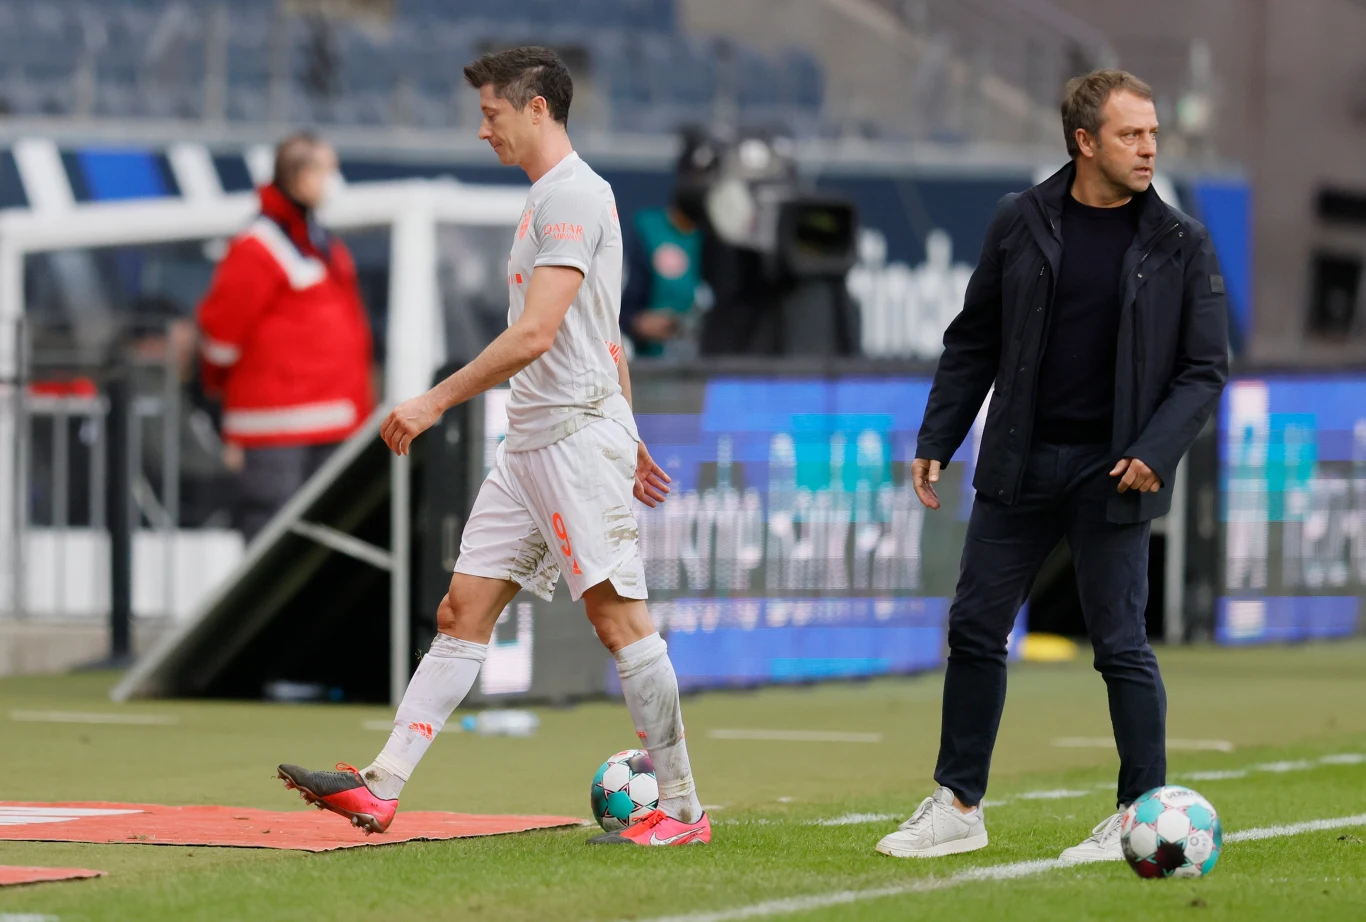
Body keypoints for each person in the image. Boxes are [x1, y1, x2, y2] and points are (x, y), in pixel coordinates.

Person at [277, 47, 711, 848]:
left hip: (575, 435)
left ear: (536, 108)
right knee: (461, 609)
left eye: (491, 113)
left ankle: (684, 811)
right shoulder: (550, 199)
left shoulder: (574, 196)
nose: (484, 130)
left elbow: (540, 331)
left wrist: (436, 398)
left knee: (620, 622)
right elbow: (605, 335)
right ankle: (380, 787)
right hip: (536, 439)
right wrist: (635, 425)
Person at [876, 70, 1228, 861]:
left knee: (1120, 644)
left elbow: (1204, 369)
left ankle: (1140, 810)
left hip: (1115, 470)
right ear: (1084, 142)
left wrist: (1155, 451)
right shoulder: (1019, 220)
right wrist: (939, 435)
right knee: (974, 628)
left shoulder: (1182, 242)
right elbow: (974, 339)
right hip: (1019, 461)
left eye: (1153, 134)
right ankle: (958, 806)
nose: (1148, 148)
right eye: (1131, 135)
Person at [196, 133, 374, 541]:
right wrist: (219, 393)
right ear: (300, 176)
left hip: (330, 421)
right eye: (327, 171)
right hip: (274, 431)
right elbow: (221, 335)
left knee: (325, 542)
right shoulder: (258, 246)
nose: (334, 180)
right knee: (274, 541)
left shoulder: (315, 241)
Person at [618, 145, 708, 357]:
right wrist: (640, 323)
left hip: (712, 365)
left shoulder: (721, 236)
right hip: (658, 362)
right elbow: (625, 307)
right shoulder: (649, 228)